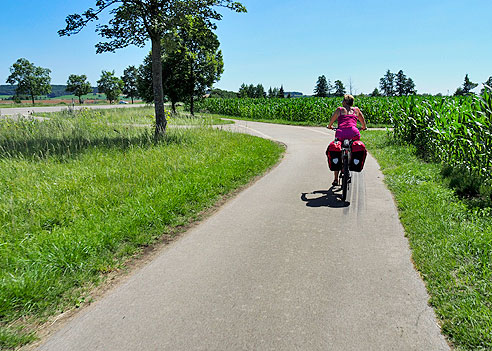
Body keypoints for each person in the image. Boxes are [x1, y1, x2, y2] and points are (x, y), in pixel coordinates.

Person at [327, 94, 367, 186]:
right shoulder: (356, 110)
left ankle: (336, 179)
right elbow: (362, 120)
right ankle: (351, 161)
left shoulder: (339, 110)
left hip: (341, 133)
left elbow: (331, 121)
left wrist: (330, 126)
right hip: (354, 133)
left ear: (344, 102)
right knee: (353, 147)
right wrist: (364, 127)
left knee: (337, 150)